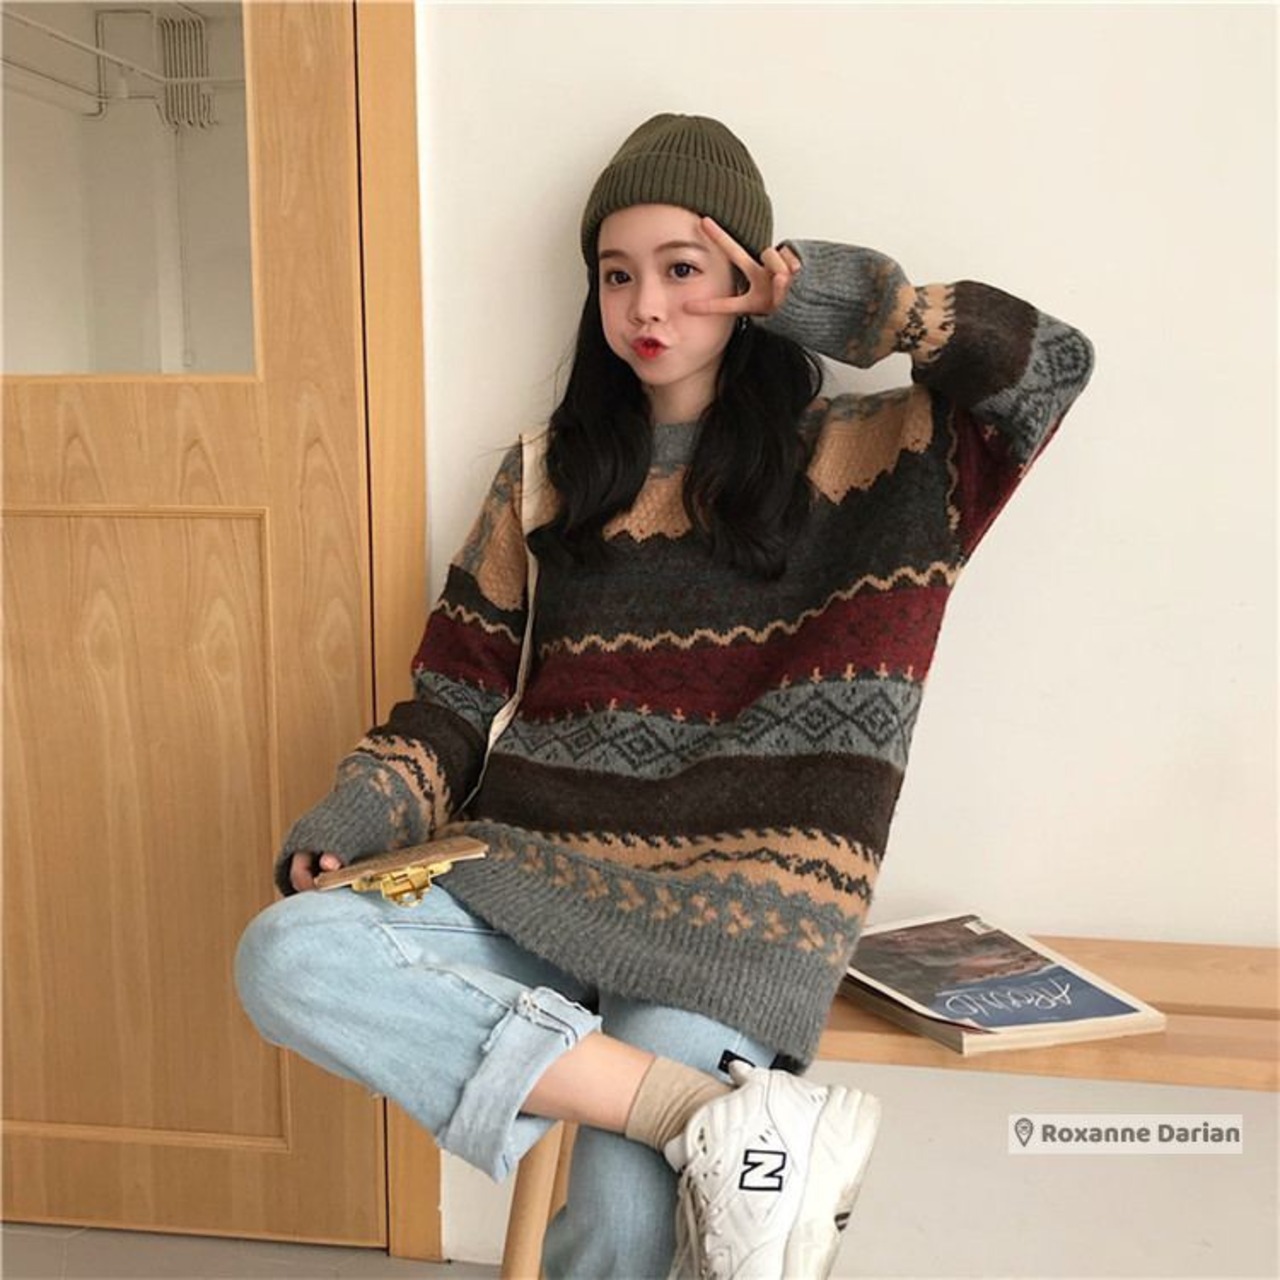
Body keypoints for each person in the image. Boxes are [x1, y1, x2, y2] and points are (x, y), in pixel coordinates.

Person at [235, 113, 1094, 1279]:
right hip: (523, 877)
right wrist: (358, 813)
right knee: (286, 956)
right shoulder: (546, 473)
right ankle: (720, 1121)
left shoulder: (885, 457)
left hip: (735, 914)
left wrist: (848, 301)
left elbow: (1051, 367)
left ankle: (703, 1126)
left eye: (685, 270)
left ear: (748, 278)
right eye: (616, 274)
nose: (646, 306)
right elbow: (451, 695)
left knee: (623, 1218)